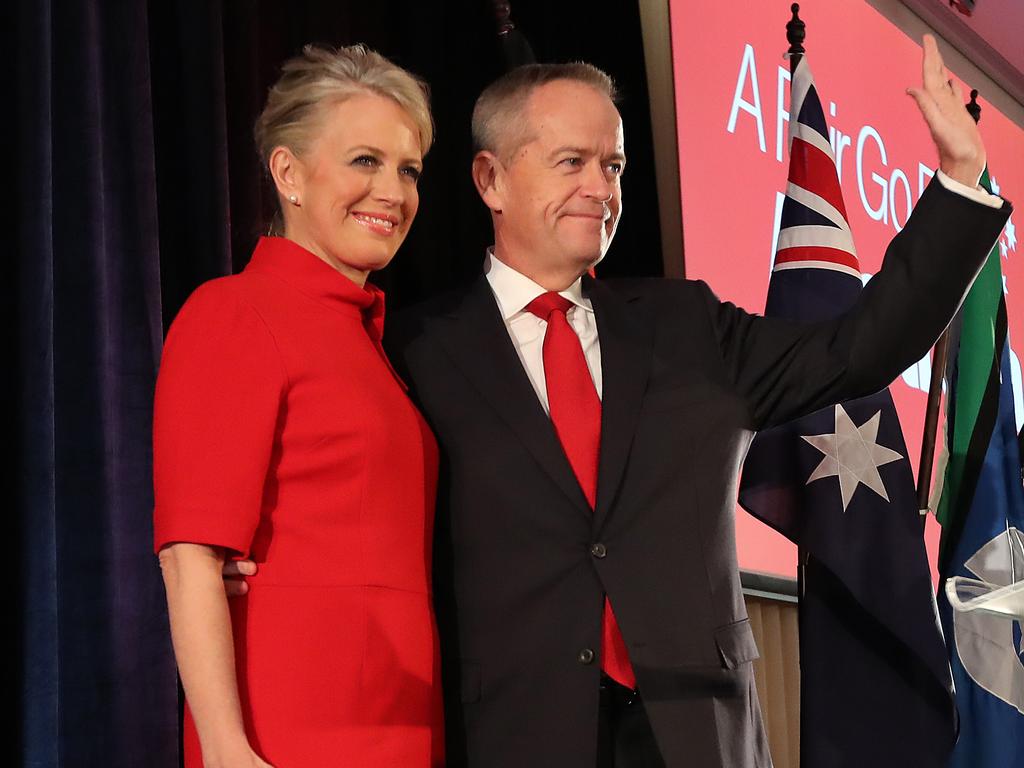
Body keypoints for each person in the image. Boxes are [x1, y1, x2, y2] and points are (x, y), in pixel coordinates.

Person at [226, 36, 1010, 767]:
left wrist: (958, 180)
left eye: (615, 166)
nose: (600, 188)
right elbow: (353, 494)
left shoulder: (689, 326)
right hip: (510, 732)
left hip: (697, 730)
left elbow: (860, 347)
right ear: (490, 179)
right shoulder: (413, 349)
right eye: (572, 162)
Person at [154, 45, 443, 768]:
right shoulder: (235, 312)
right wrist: (225, 748)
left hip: (401, 724)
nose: (393, 192)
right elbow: (191, 556)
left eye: (408, 169)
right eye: (364, 161)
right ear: (287, 173)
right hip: (290, 730)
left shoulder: (375, 342)